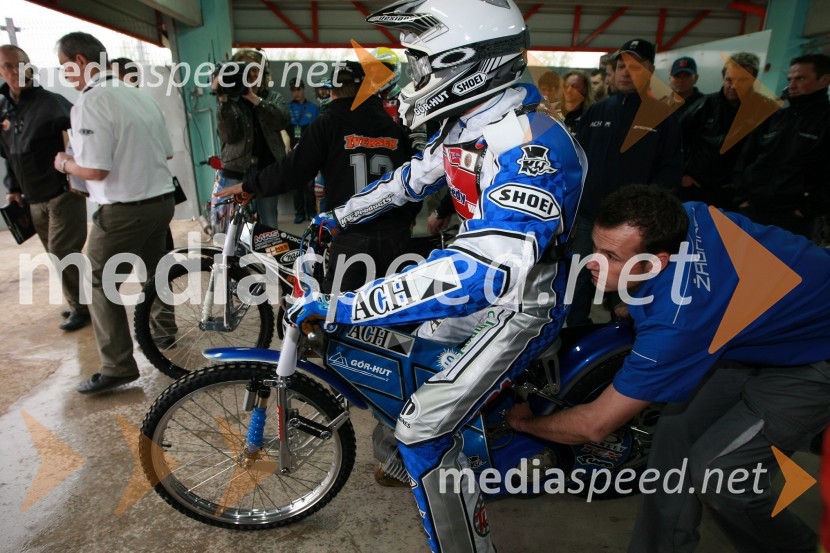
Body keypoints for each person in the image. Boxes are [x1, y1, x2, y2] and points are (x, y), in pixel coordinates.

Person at [286, 1, 586, 550]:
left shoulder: (533, 145)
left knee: (421, 427)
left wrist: (349, 304)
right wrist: (336, 217)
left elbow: (482, 274)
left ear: (467, 63)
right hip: (476, 285)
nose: (415, 79)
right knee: (402, 362)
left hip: (519, 304)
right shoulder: (471, 123)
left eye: (425, 65)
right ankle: (470, 447)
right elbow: (409, 180)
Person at [505, 184, 830, 553]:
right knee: (673, 434)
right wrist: (640, 297)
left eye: (611, 256)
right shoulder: (687, 214)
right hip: (754, 329)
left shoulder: (678, 323)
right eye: (596, 247)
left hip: (815, 356)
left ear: (656, 261)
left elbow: (593, 424)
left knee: (719, 476)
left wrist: (524, 423)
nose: (592, 263)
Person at [218, 61, 417, 294]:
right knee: (390, 309)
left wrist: (250, 185)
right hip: (397, 235)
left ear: (332, 92)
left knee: (338, 313)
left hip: (351, 236)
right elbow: (413, 178)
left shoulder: (328, 124)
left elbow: (293, 170)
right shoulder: (393, 127)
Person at [53, 32, 176, 394]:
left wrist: (65, 164)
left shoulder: (91, 102)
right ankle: (164, 333)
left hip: (124, 209)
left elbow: (96, 170)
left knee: (96, 279)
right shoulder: (139, 96)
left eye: (65, 67)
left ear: (79, 61)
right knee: (155, 270)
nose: (66, 75)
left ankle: (118, 365)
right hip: (161, 201)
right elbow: (166, 153)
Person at [567, 38, 682, 327]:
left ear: (650, 70)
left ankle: (623, 343)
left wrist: (646, 215)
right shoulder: (598, 111)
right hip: (589, 218)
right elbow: (575, 160)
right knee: (577, 280)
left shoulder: (663, 117)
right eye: (621, 66)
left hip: (630, 228)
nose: (626, 73)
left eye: (635, 66)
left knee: (627, 290)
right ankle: (575, 335)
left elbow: (670, 169)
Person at [0, 44, 89, 331]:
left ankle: (83, 308)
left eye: (18, 64)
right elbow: (8, 151)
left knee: (64, 251)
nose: (14, 72)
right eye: (7, 66)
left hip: (63, 194)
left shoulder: (52, 102)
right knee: (56, 253)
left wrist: (78, 178)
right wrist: (13, 186)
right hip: (32, 198)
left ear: (30, 67)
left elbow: (84, 135)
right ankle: (79, 302)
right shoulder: (3, 109)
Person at [734, 53, 830, 239]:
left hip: (792, 218)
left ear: (824, 80)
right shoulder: (775, 117)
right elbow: (745, 158)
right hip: (751, 210)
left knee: (779, 267)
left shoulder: (825, 123)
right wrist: (742, 197)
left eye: (801, 78)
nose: (792, 85)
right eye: (790, 79)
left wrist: (806, 210)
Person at [678, 52, 772, 208]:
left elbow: (770, 155)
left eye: (742, 80)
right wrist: (683, 175)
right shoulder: (704, 105)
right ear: (723, 78)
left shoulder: (765, 110)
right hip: (696, 188)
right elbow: (677, 140)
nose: (734, 86)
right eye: (729, 80)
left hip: (737, 195)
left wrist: (750, 193)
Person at [213, 49, 288, 230]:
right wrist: (223, 102)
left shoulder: (273, 97)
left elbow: (282, 121)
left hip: (267, 169)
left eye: (255, 69)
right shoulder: (230, 100)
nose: (251, 74)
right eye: (245, 69)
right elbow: (229, 136)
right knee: (230, 224)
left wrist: (254, 99)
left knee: (269, 221)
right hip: (236, 170)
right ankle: (235, 258)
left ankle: (267, 257)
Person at [286, 80, 320, 224]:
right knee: (296, 184)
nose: (296, 93)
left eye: (298, 89)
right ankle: (299, 213)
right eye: (293, 90)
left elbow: (318, 131)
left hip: (309, 149)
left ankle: (311, 212)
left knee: (310, 184)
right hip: (292, 150)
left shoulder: (314, 108)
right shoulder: (286, 108)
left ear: (304, 90)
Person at [562, 70, 594, 134]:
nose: (569, 91)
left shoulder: (592, 114)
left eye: (575, 86)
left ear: (585, 89)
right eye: (566, 86)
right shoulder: (557, 114)